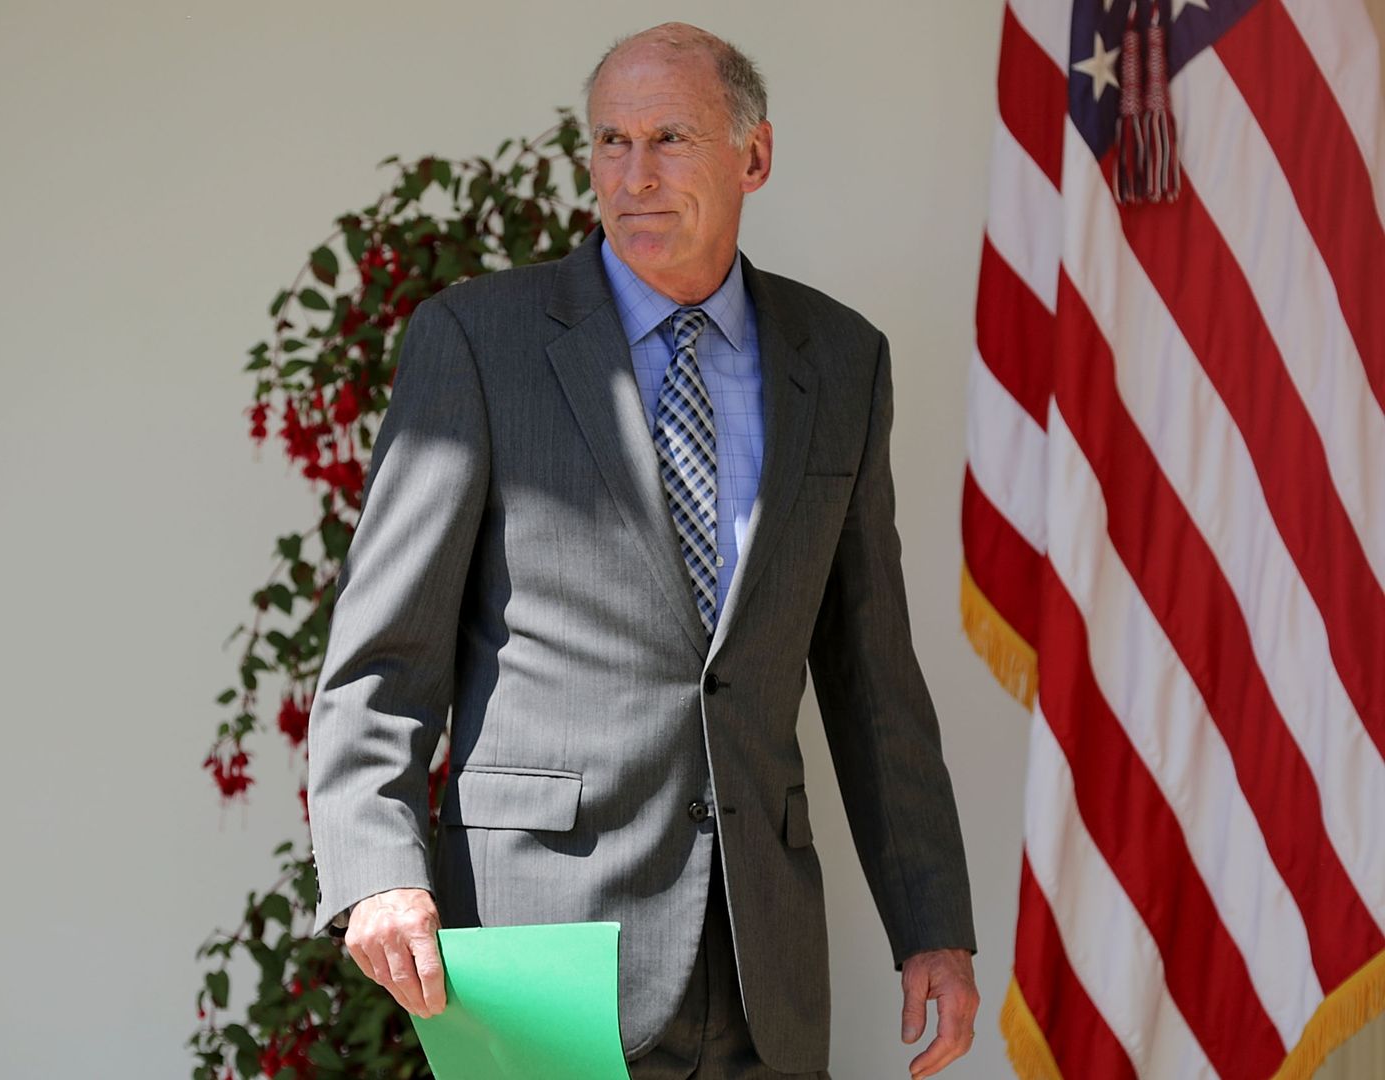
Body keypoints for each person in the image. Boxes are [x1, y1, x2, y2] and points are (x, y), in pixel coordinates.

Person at [305, 21, 979, 1080]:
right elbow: (384, 654)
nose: (634, 176)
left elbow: (871, 673)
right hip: (544, 948)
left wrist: (933, 926)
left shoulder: (841, 361)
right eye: (611, 143)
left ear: (753, 155)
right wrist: (378, 873)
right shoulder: (479, 343)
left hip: (762, 963)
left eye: (669, 138)